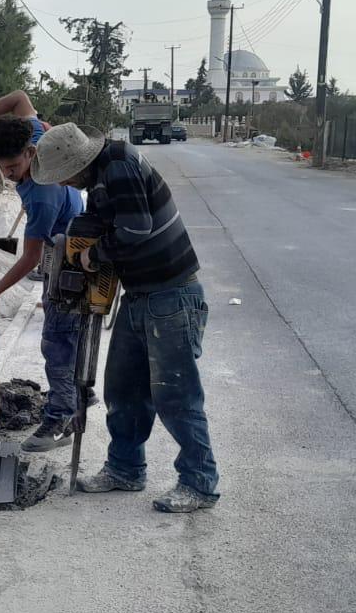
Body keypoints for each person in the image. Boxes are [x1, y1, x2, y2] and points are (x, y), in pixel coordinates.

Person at [30, 122, 219, 513]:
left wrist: (91, 256)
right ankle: (125, 468)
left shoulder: (118, 166)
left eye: (63, 175)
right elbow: (101, 226)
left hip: (171, 292)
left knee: (175, 394)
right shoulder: (99, 178)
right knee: (124, 389)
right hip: (139, 293)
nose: (64, 183)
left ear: (76, 164)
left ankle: (199, 482)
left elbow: (135, 228)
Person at [0, 91, 85, 452]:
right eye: (1, 168)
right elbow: (18, 97)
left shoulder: (43, 192)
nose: (8, 175)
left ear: (30, 152)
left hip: (72, 253)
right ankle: (77, 395)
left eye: (12, 168)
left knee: (57, 339)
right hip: (63, 237)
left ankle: (62, 417)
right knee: (64, 333)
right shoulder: (32, 131)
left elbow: (30, 259)